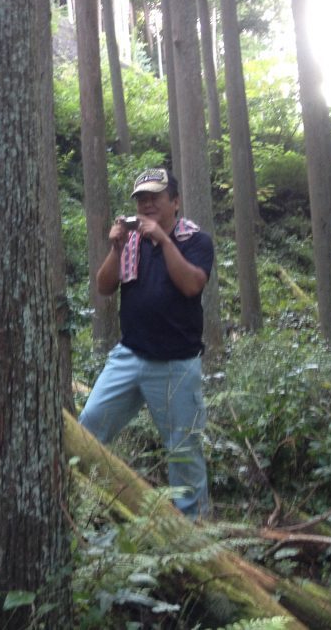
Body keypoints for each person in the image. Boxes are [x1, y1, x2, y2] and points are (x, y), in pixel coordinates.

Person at [78, 168, 213, 520]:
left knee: (183, 451)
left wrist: (164, 241)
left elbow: (191, 285)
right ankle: (78, 502)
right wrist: (116, 247)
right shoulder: (132, 240)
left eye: (155, 197)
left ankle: (191, 531)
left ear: (176, 201)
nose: (148, 204)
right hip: (129, 355)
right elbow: (105, 287)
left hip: (176, 364)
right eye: (141, 198)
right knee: (89, 426)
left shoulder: (195, 241)